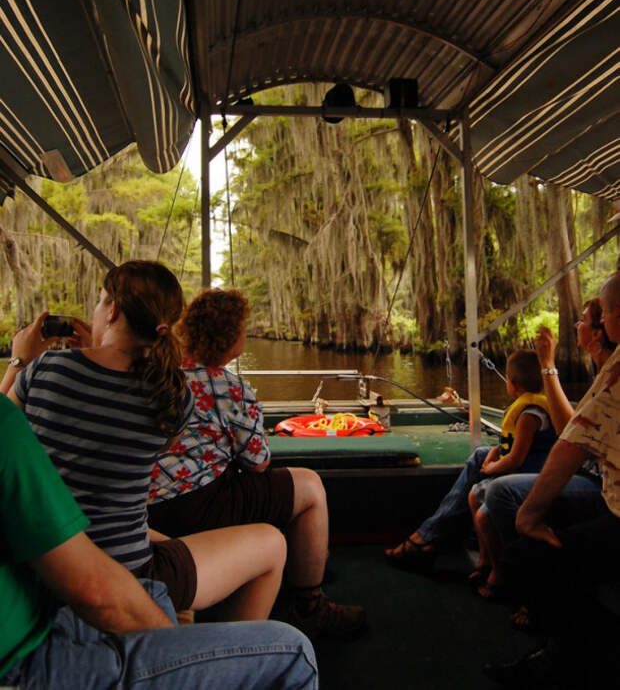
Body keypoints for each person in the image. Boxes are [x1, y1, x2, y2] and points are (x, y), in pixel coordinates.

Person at [1, 262, 287, 621]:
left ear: (114, 309)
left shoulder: (46, 370)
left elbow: (5, 427)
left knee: (161, 536)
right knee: (272, 544)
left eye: (102, 300)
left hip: (44, 562)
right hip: (129, 574)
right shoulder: (172, 394)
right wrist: (99, 352)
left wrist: (20, 359)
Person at [0, 392, 318, 689]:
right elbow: (94, 591)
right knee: (295, 652)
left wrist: (18, 363)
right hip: (24, 661)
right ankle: (309, 603)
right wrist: (176, 648)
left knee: (153, 592)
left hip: (41, 612)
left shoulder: (39, 383)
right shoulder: (179, 392)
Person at [147, 287, 367, 639]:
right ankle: (310, 606)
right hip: (199, 507)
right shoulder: (230, 388)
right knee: (309, 486)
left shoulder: (155, 374)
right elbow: (258, 463)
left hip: (147, 512)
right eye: (244, 330)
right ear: (230, 339)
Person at [483, 271, 620, 688]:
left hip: (604, 494)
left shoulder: (615, 373)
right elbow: (574, 429)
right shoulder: (606, 368)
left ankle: (592, 650)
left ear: (609, 323)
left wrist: (530, 517)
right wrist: (548, 365)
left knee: (520, 541)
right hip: (603, 489)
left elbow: (569, 442)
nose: (574, 324)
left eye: (587, 315)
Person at [385, 349, 554, 573]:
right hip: (524, 461)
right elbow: (516, 444)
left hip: (530, 469)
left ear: (511, 383)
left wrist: (494, 466)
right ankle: (434, 536)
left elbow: (517, 457)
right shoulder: (534, 407)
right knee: (479, 455)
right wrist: (495, 452)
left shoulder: (529, 415)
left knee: (480, 481)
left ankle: (428, 538)